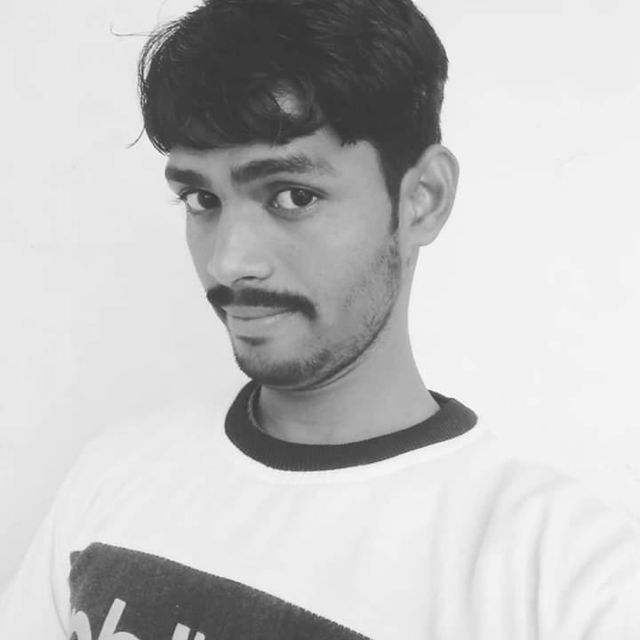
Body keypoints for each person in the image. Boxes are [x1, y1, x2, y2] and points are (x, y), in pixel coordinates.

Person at [1, 0, 639, 637]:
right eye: (201, 199)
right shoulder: (115, 474)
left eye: (293, 195)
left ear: (423, 199)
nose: (229, 262)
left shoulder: (570, 583)